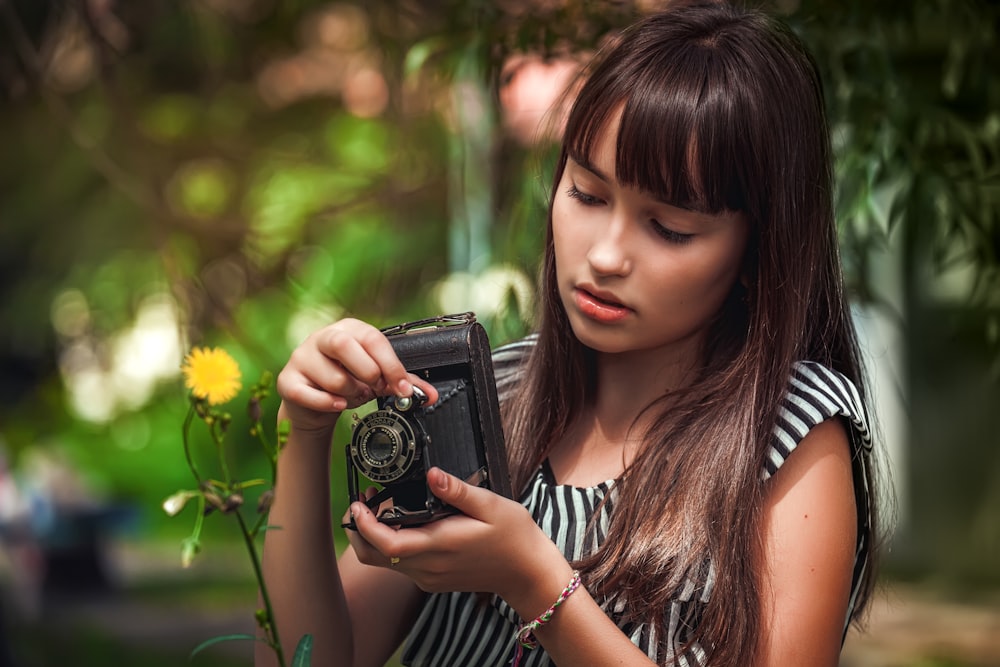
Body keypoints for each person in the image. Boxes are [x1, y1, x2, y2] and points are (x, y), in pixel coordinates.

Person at [259, 2, 886, 665]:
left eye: (670, 228)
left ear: (759, 253)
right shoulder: (491, 393)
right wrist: (304, 432)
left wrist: (536, 581)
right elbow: (302, 659)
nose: (607, 254)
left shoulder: (792, 431)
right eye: (587, 194)